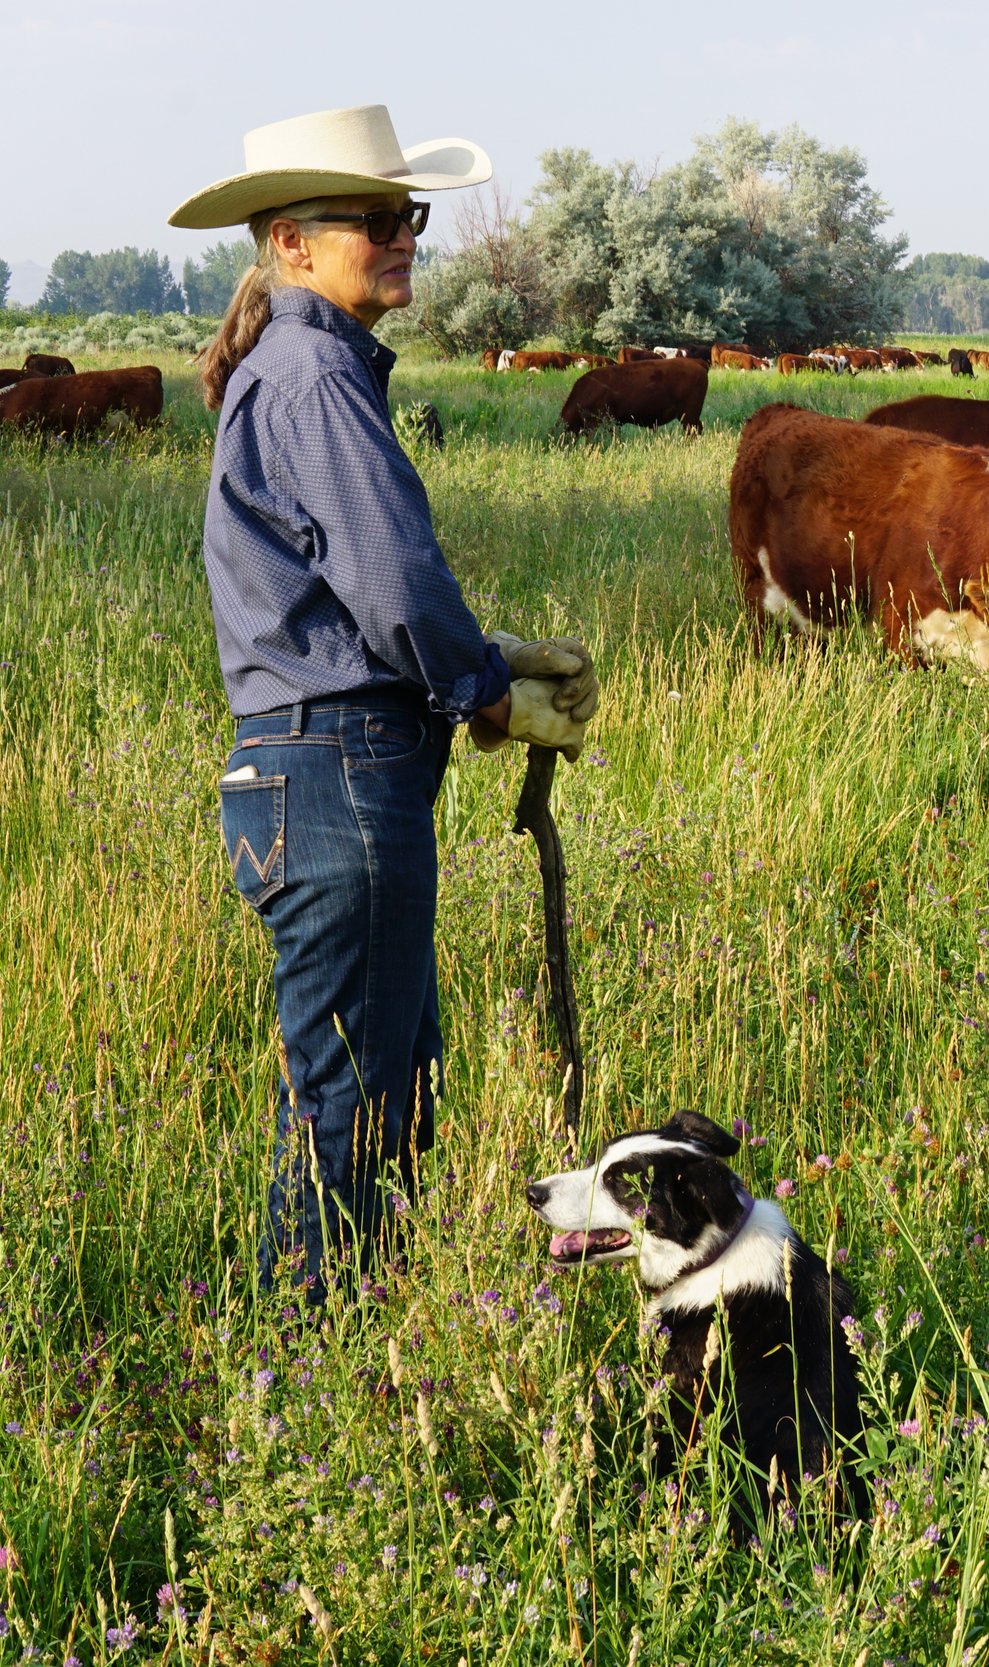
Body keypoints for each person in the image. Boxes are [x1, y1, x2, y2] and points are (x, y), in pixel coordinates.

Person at [171, 106, 600, 1303]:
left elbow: (349, 589)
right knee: (352, 1112)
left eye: (409, 215)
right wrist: (485, 691)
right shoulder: (312, 371)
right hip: (340, 769)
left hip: (315, 769)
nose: (404, 236)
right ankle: (307, 1381)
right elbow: (393, 577)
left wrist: (487, 654)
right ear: (291, 242)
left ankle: (357, 1349)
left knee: (384, 1087)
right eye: (376, 219)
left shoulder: (299, 364)